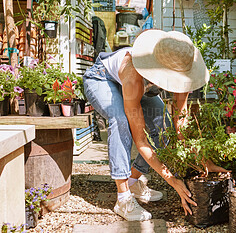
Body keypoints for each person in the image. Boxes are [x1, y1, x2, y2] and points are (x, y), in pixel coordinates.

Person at [83, 29, 227, 221]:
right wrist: (172, 180)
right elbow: (141, 139)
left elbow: (179, 122)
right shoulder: (134, 74)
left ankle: (133, 181)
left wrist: (201, 160)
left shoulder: (181, 69)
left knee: (163, 127)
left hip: (138, 85)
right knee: (120, 120)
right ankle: (123, 198)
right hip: (102, 78)